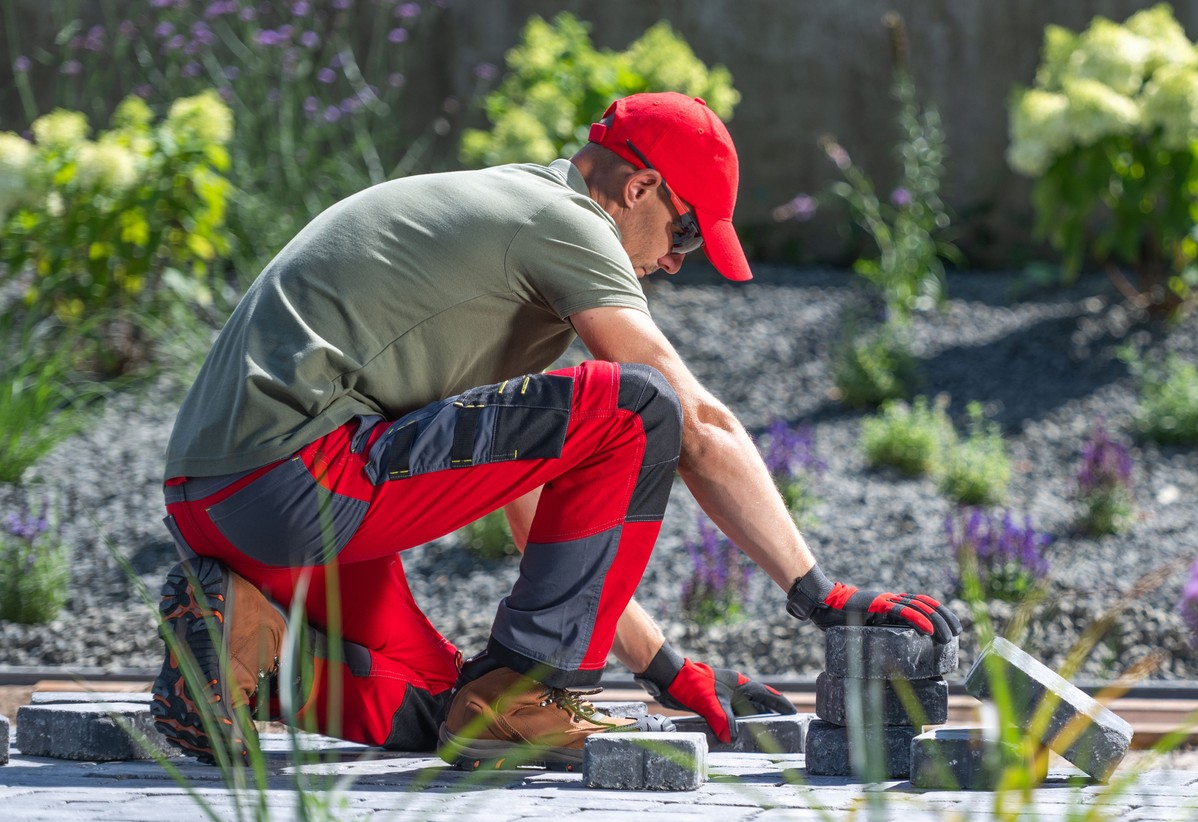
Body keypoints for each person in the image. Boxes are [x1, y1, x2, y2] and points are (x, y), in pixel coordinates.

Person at [152, 91, 958, 768]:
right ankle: (530, 694)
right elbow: (697, 426)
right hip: (297, 482)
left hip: (228, 505)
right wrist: (824, 598)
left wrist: (670, 672)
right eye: (684, 234)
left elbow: (534, 499)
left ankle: (235, 653)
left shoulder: (499, 236)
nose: (678, 262)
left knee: (463, 719)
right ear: (639, 187)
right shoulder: (565, 222)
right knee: (641, 405)